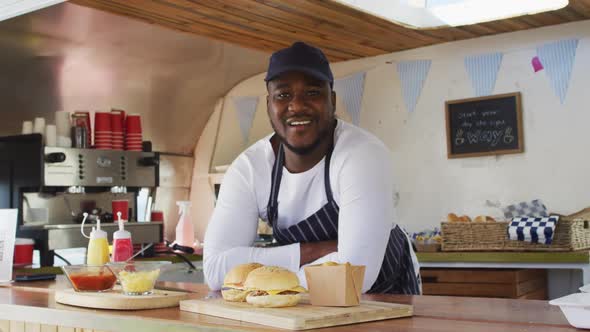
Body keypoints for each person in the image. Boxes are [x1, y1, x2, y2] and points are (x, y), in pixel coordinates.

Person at [203, 41, 421, 294]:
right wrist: (314, 251)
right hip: (300, 311)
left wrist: (269, 280)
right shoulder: (249, 169)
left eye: (313, 92)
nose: (296, 106)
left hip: (384, 302)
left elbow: (355, 275)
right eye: (283, 95)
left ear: (333, 100)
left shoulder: (361, 154)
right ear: (268, 105)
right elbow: (216, 271)